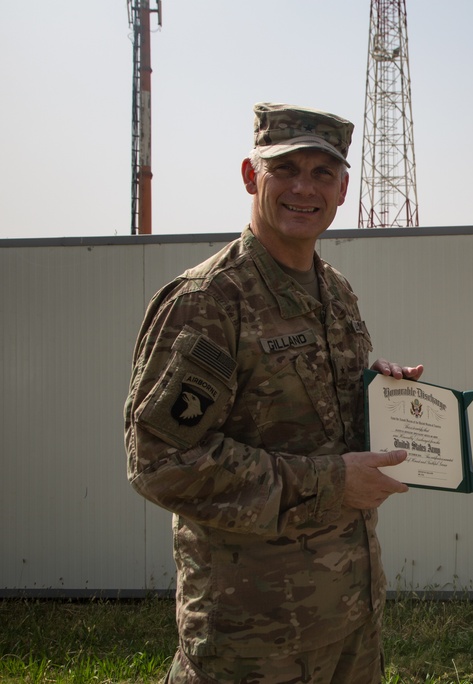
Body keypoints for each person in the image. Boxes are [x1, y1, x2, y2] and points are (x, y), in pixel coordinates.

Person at [124, 102, 423, 683]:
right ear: (249, 175)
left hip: (349, 621)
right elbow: (162, 462)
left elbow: (319, 425)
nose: (303, 188)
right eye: (285, 169)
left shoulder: (335, 292)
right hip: (252, 635)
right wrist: (333, 482)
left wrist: (382, 401)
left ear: (342, 189)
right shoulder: (210, 300)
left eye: (322, 173)